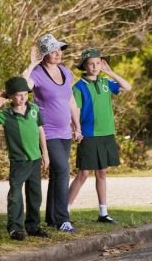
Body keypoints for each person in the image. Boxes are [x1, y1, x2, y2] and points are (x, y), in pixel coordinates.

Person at [21, 34, 82, 233]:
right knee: (63, 171)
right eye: (53, 50)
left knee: (58, 174)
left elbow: (71, 101)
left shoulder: (65, 71)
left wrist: (77, 126)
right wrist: (30, 65)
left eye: (59, 50)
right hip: (47, 131)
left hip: (65, 132)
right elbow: (22, 88)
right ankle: (63, 219)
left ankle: (53, 218)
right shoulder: (37, 73)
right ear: (44, 54)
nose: (58, 53)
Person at [67, 48, 132, 224]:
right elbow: (75, 110)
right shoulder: (79, 87)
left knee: (102, 172)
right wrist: (76, 129)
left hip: (107, 134)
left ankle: (103, 213)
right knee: (83, 174)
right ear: (84, 66)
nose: (95, 67)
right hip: (88, 134)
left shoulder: (105, 82)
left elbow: (127, 87)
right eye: (91, 64)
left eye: (98, 63)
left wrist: (110, 72)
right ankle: (64, 211)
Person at [0, 77, 50, 241]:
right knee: (15, 196)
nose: (23, 98)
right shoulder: (5, 114)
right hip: (19, 162)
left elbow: (40, 130)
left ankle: (33, 226)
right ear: (10, 96)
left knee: (35, 195)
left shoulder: (34, 109)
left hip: (35, 160)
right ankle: (15, 228)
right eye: (18, 95)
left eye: (25, 94)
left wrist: (45, 154)